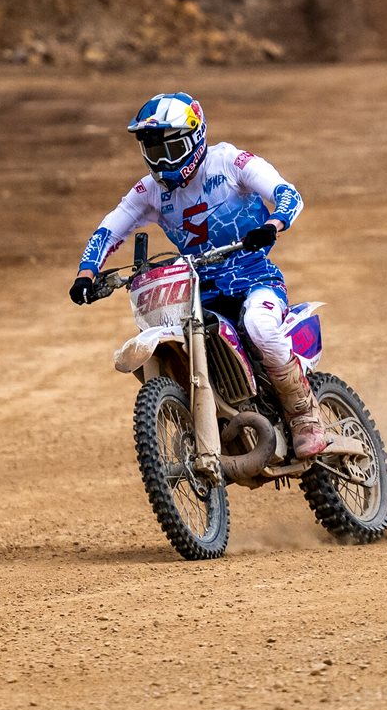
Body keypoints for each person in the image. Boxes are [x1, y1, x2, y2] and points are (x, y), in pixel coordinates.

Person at [69, 92, 327, 457]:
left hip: (253, 276)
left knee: (259, 326)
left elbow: (287, 194)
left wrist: (272, 224)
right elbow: (108, 230)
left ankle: (304, 414)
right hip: (196, 288)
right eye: (153, 150)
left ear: (194, 138)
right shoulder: (150, 191)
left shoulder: (230, 162)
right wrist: (86, 272)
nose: (162, 160)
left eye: (170, 148)